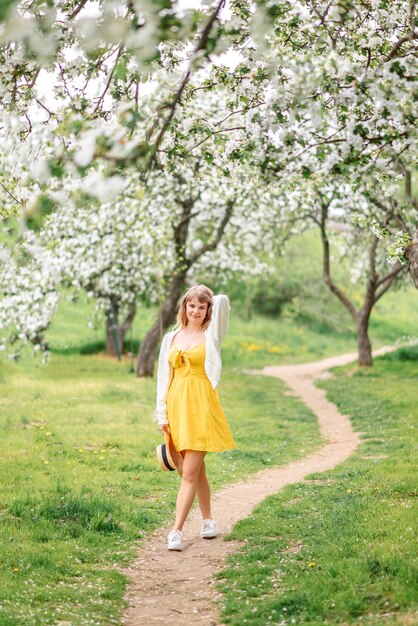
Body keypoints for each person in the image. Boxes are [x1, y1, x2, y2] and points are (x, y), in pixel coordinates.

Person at [155, 284, 236, 551]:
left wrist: (209, 295)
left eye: (202, 307)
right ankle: (208, 521)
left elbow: (223, 303)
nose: (197, 311)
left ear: (208, 308)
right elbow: (163, 377)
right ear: (184, 307)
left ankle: (176, 531)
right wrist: (161, 411)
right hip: (177, 406)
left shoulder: (211, 334)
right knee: (194, 469)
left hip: (201, 405)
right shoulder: (171, 338)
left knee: (189, 471)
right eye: (192, 305)